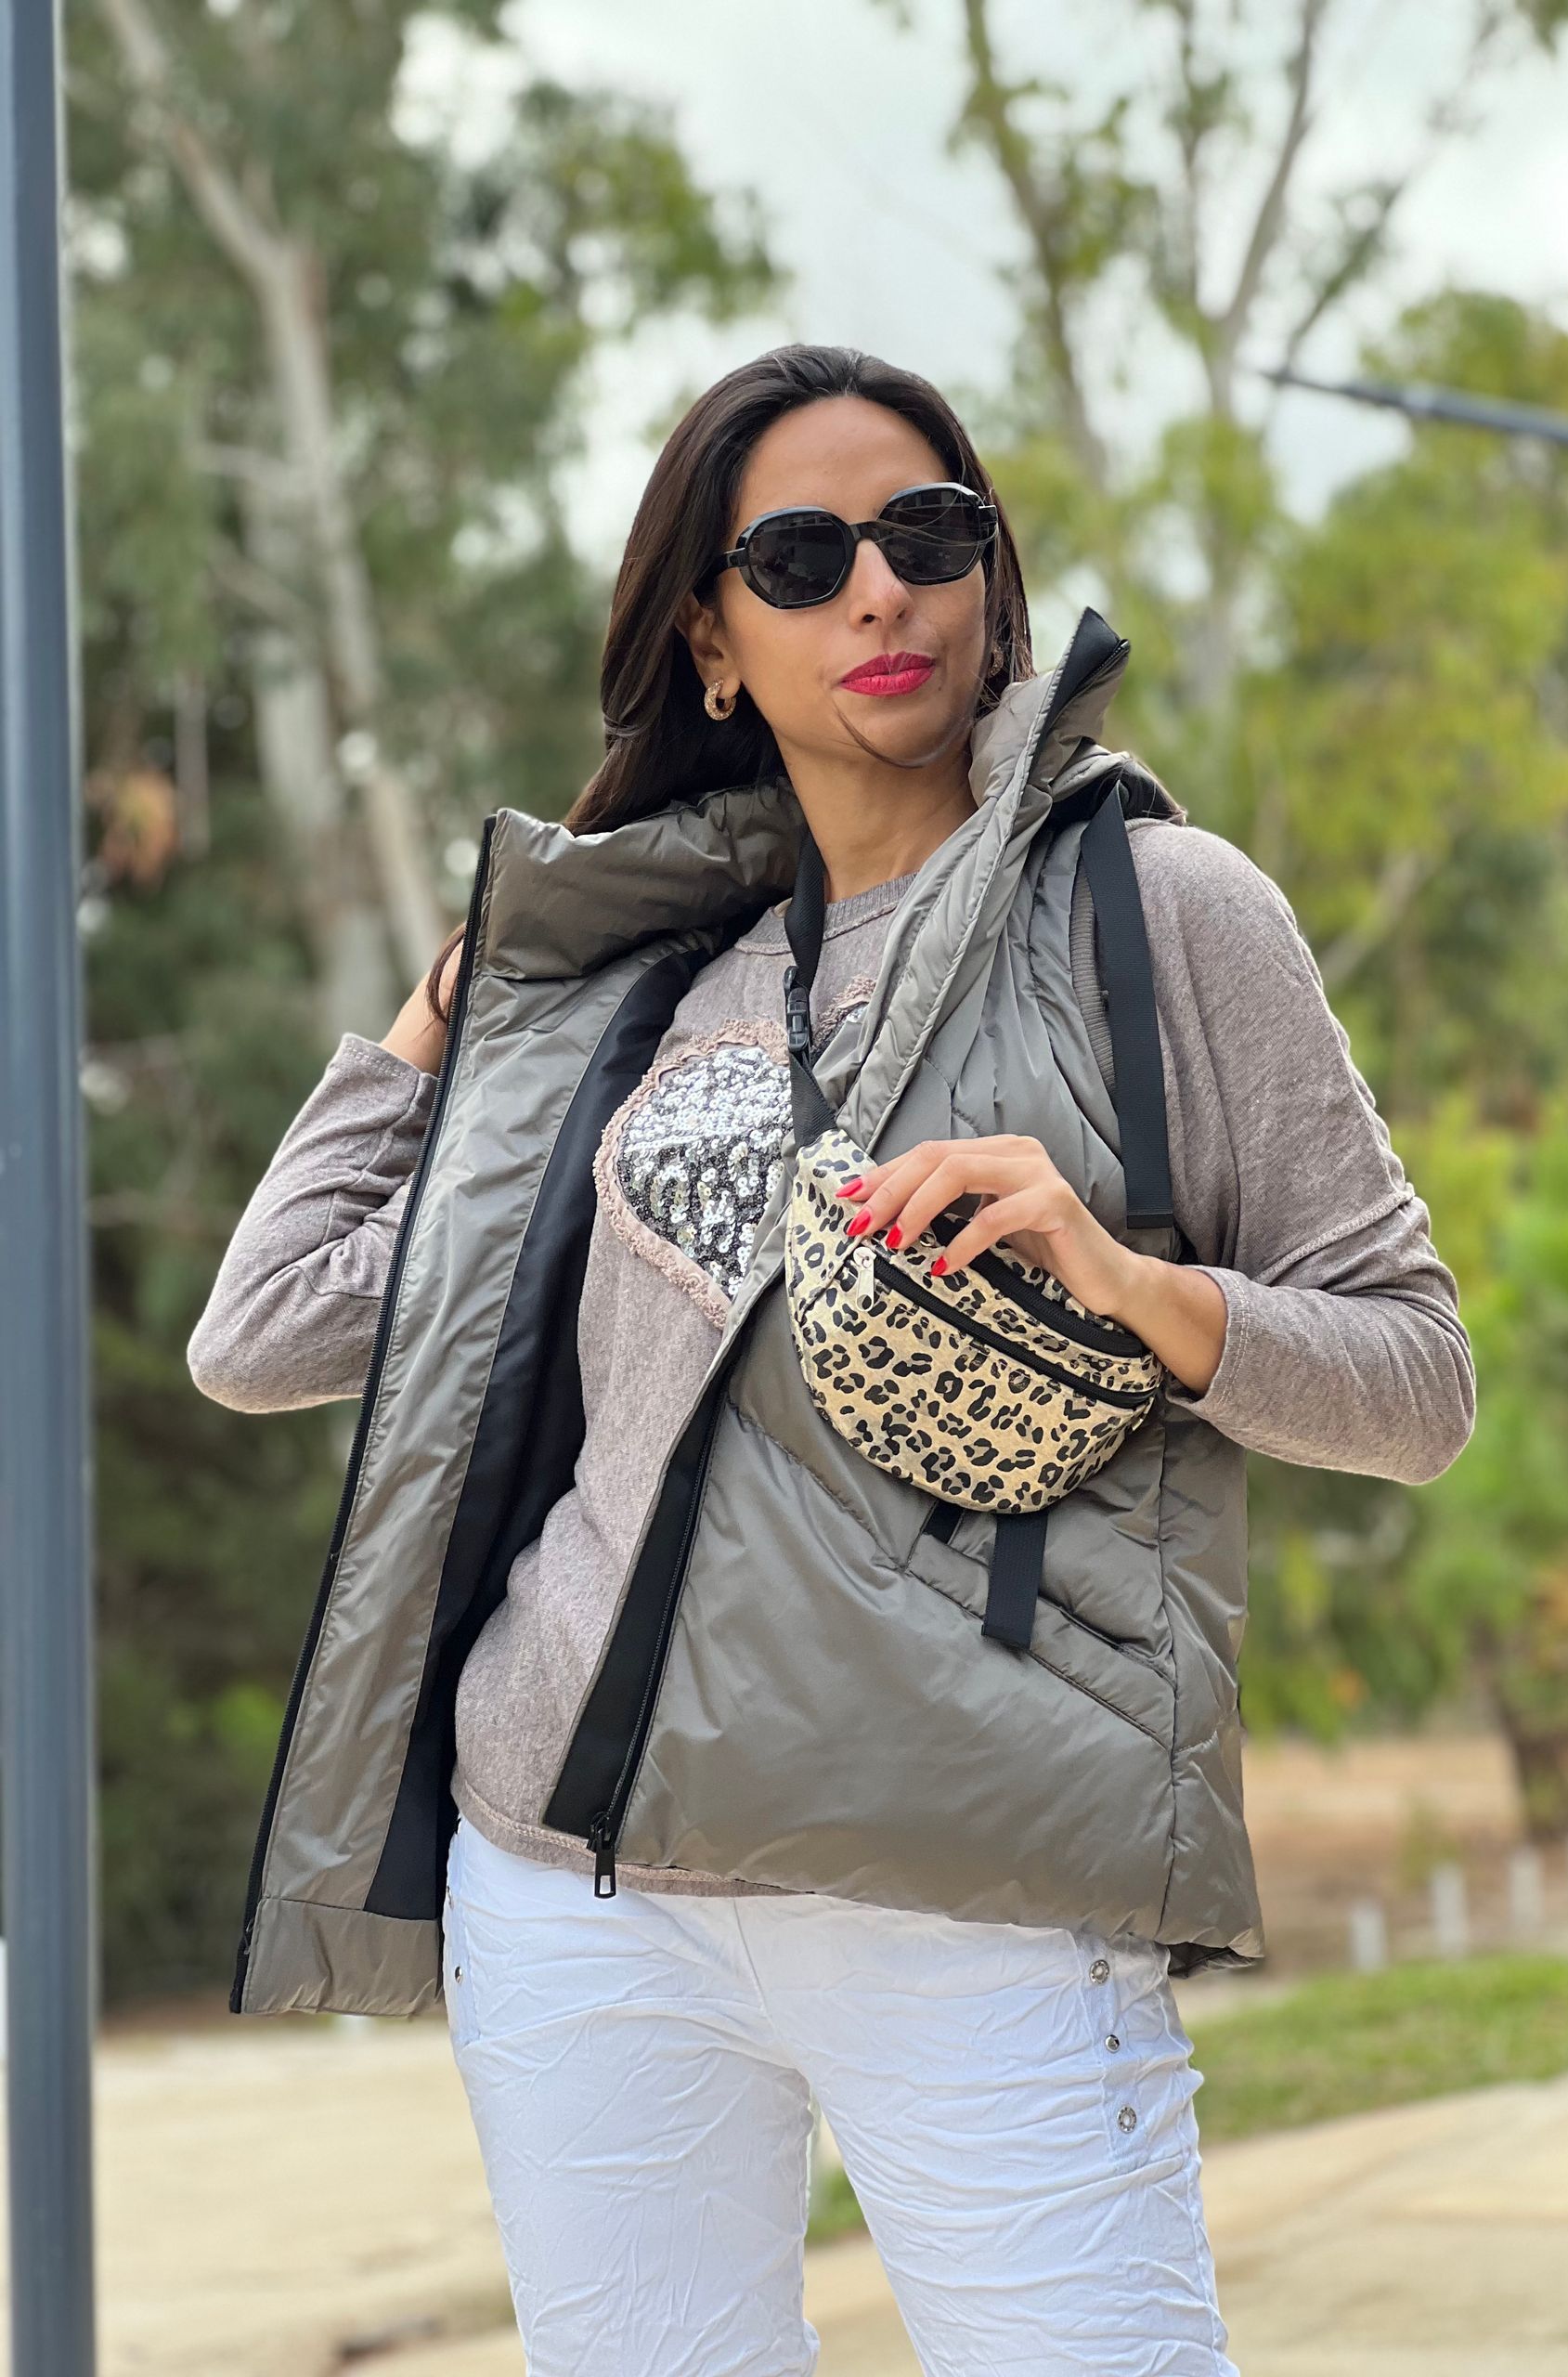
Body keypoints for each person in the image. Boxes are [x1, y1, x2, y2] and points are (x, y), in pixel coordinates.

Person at [188, 343, 1474, 2376]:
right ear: (711, 639)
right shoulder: (648, 992)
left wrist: (1133, 1284)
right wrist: (470, 980)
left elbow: (1416, 1377)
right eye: (799, 557)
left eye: (926, 535)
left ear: (991, 576)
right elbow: (265, 1326)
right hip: (581, 1894)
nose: (879, 590)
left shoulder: (1157, 910)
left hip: (978, 1884)